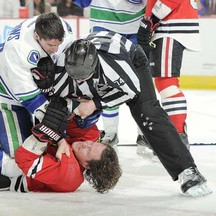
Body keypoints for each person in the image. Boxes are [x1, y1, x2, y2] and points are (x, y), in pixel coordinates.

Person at [43, 31, 211, 197]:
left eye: (84, 78)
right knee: (66, 112)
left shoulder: (115, 67)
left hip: (132, 61)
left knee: (148, 113)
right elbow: (52, 103)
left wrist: (95, 103)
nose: (79, 82)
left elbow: (131, 92)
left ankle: (187, 171)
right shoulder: (60, 68)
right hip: (93, 65)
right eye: (75, 77)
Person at [0, 101, 121, 194]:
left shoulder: (69, 176)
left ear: (87, 165)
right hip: (20, 140)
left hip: (16, 174)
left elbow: (23, 158)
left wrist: (48, 133)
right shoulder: (89, 137)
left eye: (88, 150)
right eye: (93, 144)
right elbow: (66, 112)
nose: (86, 143)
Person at [0, 12, 74, 158]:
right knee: (22, 156)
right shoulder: (18, 50)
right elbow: (32, 100)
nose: (55, 50)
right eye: (51, 45)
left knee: (38, 143)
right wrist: (59, 137)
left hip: (20, 92)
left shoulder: (59, 26)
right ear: (37, 36)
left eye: (58, 44)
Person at [72, 0, 147, 147]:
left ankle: (144, 133)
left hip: (135, 29)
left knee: (140, 85)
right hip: (102, 28)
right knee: (105, 83)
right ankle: (111, 132)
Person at [136, 0, 202, 153]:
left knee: (167, 83)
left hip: (171, 26)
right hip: (170, 24)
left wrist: (152, 19)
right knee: (164, 82)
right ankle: (176, 136)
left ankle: (177, 138)